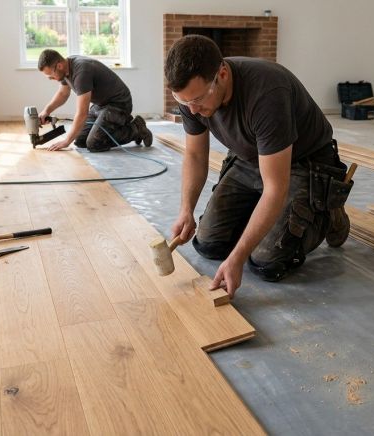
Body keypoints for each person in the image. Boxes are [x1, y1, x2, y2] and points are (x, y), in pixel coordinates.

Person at [164, 35, 353, 297]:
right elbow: (195, 156)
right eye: (184, 102)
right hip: (250, 156)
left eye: (197, 100)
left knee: (266, 262)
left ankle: (328, 212)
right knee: (209, 244)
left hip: (303, 162)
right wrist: (186, 210)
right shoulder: (191, 95)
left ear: (222, 75)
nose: (192, 110)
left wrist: (238, 257)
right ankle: (266, 217)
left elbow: (275, 188)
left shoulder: (267, 93)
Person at [37, 50, 152, 152]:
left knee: (94, 144)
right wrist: (46, 111)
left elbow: (82, 113)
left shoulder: (81, 72)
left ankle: (136, 128)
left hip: (119, 104)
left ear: (59, 66)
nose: (50, 79)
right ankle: (118, 123)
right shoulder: (66, 68)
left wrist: (66, 141)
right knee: (80, 141)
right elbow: (63, 94)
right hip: (101, 105)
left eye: (50, 75)